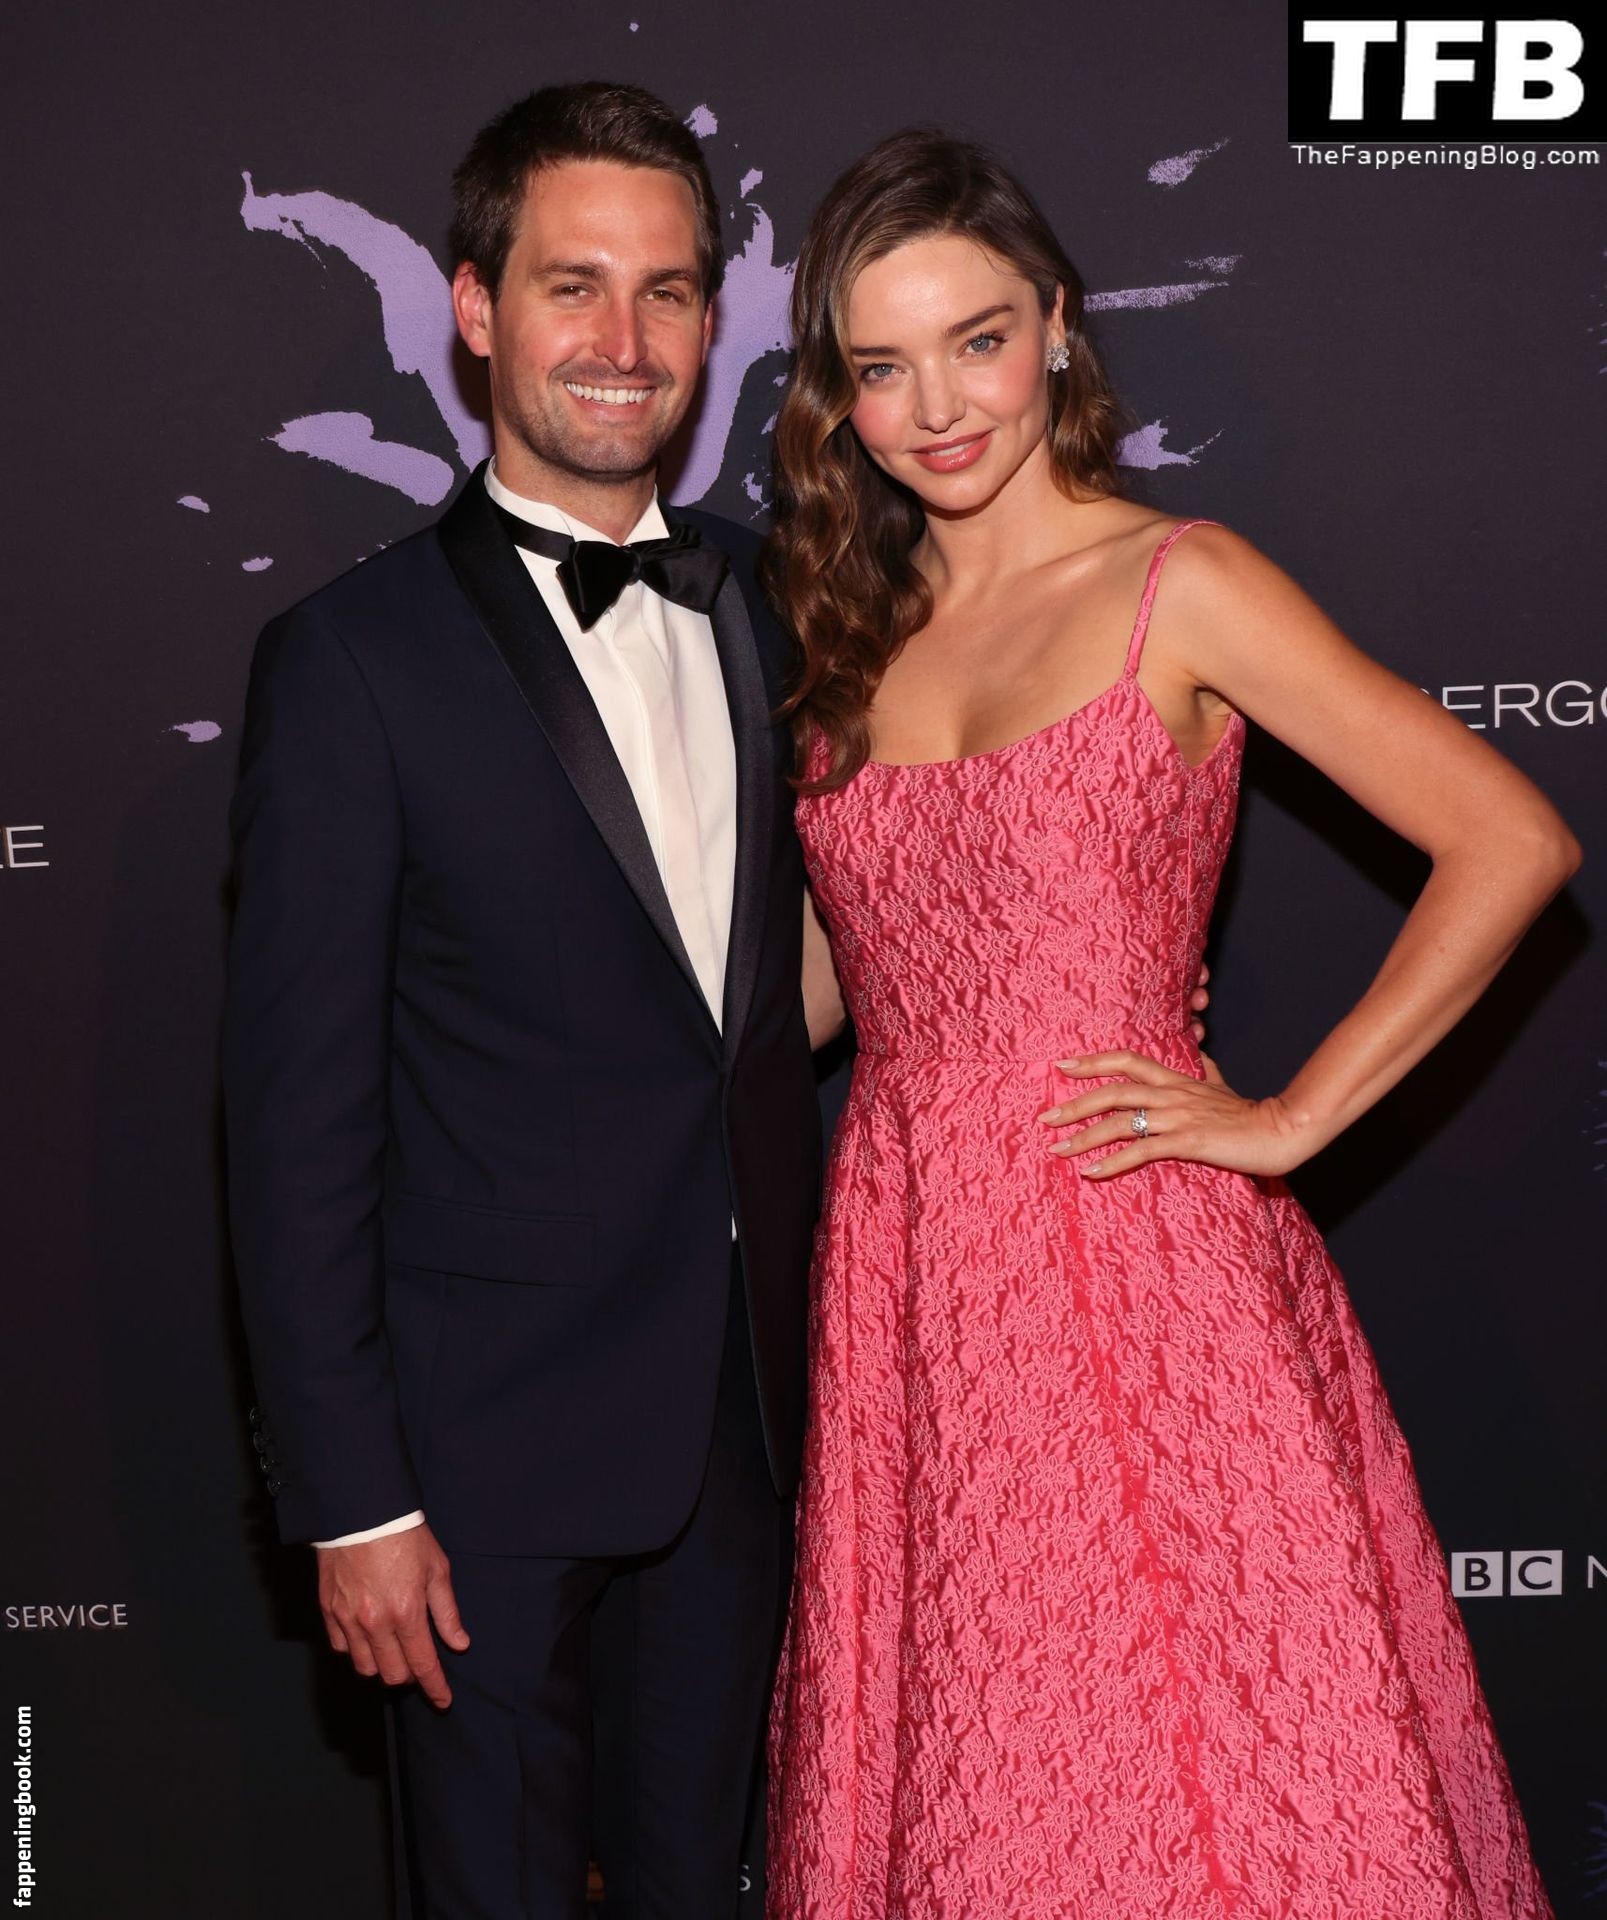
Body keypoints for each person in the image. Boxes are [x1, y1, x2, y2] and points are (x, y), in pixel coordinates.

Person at [766, 129, 1572, 1919]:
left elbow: (1509, 840)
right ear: (840, 396)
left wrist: (1290, 1118)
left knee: (1194, 1760)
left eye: (978, 340)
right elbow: (824, 990)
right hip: (912, 1274)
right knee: (987, 1772)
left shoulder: (1179, 582)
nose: (936, 408)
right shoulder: (850, 634)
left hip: (1133, 1256)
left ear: (1056, 324)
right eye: (882, 368)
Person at [222, 82, 826, 1918]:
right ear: (475, 307)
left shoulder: (774, 613)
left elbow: (764, 1001)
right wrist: (353, 1498)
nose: (623, 341)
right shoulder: (352, 661)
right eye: (574, 285)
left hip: (742, 1432)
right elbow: (294, 1122)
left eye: (666, 290)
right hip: (472, 1468)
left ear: (713, 319)